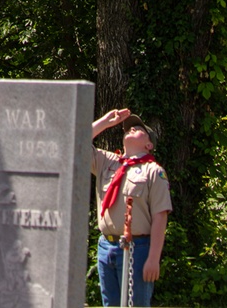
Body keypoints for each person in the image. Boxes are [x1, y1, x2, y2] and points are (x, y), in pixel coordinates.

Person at [91, 107, 172, 307]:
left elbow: (160, 216)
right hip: (106, 246)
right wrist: (105, 122)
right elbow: (73, 142)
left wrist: (153, 258)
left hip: (138, 248)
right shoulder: (107, 162)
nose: (130, 130)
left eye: (138, 129)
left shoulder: (153, 171)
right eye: (128, 129)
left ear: (149, 144)